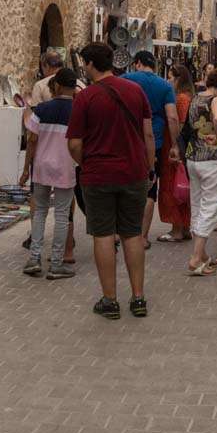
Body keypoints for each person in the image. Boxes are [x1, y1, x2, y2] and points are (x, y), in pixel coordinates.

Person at [66, 43, 154, 320]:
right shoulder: (135, 91)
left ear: (91, 64)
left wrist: (86, 164)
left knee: (103, 234)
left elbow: (74, 144)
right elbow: (148, 135)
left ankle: (110, 300)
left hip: (99, 175)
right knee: (132, 233)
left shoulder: (85, 98)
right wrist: (149, 168)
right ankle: (138, 298)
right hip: (133, 173)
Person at [19, 67, 80, 279]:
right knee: (63, 215)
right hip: (65, 166)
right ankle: (56, 263)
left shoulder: (43, 108)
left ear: (56, 85)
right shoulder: (78, 110)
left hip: (42, 165)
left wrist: (26, 168)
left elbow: (32, 139)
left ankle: (34, 258)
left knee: (41, 212)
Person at [122, 50, 181, 249]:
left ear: (137, 63)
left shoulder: (125, 80)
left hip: (126, 140)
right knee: (149, 189)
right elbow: (172, 117)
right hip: (153, 143)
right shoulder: (164, 86)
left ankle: (118, 233)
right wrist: (174, 145)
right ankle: (142, 236)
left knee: (122, 186)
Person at [183, 68, 217, 276]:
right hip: (213, 159)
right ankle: (196, 258)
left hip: (193, 157)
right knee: (210, 207)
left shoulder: (195, 98)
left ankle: (202, 253)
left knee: (197, 204)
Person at [156, 64, 194, 243]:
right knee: (183, 186)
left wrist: (174, 146)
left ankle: (176, 229)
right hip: (183, 148)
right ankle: (184, 227)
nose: (168, 80)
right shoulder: (188, 97)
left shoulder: (179, 99)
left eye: (170, 77)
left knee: (173, 187)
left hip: (174, 148)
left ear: (178, 79)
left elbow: (178, 123)